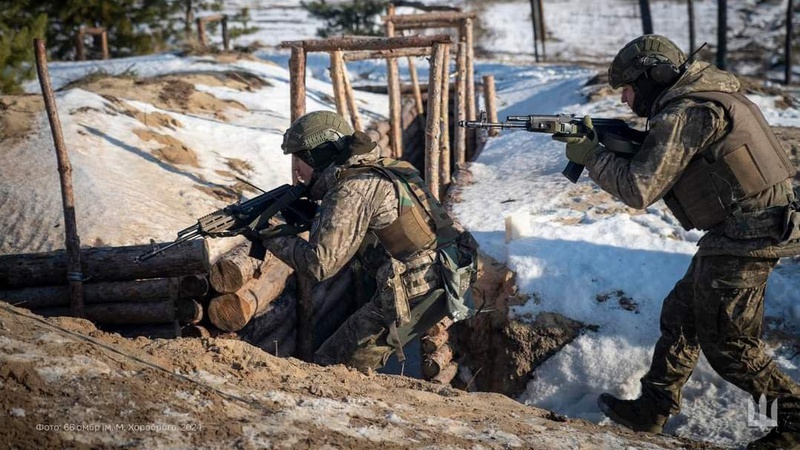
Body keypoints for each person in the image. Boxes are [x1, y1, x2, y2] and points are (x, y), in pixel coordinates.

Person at [552, 34, 800, 449]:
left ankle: (794, 420)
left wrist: (591, 155)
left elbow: (639, 189)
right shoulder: (708, 96)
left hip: (750, 233)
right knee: (682, 313)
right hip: (741, 229)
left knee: (730, 346)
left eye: (629, 88)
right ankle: (654, 405)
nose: (626, 99)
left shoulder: (688, 111)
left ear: (655, 76)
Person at [254, 110, 479, 373]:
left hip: (423, 284)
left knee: (334, 364)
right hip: (449, 269)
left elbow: (319, 265)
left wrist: (270, 233)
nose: (295, 169)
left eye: (301, 157)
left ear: (322, 154)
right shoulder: (377, 169)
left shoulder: (352, 188)